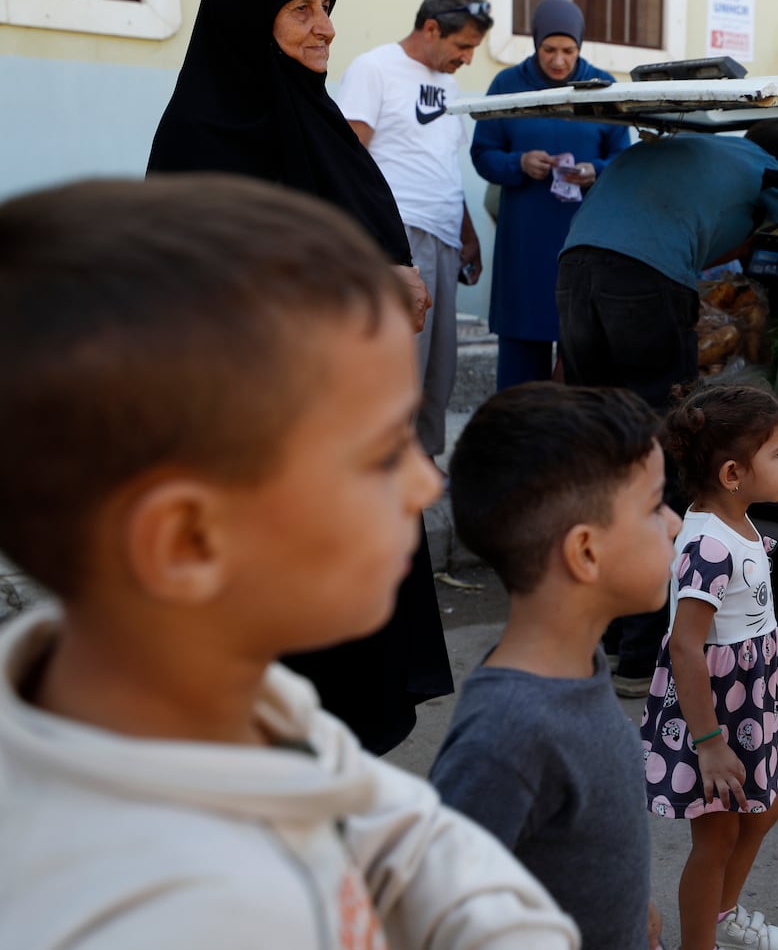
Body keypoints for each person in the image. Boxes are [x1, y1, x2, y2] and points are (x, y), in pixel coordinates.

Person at [0, 175, 580, 949]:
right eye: (382, 453)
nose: (425, 481)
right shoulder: (170, 916)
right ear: (189, 543)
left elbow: (404, 837)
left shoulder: (238, 702)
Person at [146, 0, 450, 753]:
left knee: (351, 667)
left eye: (327, 9)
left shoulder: (313, 121)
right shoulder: (203, 136)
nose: (325, 29)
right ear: (252, 21)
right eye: (302, 11)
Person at [558, 120, 778, 696]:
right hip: (645, 283)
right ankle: (641, 654)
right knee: (667, 457)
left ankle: (600, 635)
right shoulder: (767, 171)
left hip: (574, 267)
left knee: (603, 452)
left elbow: (715, 243)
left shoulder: (693, 150)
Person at [429, 382, 678, 950]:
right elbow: (439, 912)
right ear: (586, 552)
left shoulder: (577, 661)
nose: (676, 524)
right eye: (655, 506)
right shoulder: (506, 735)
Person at [640, 385, 778, 950]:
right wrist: (708, 741)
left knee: (763, 811)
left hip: (749, 700)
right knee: (717, 836)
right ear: (734, 472)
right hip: (714, 711)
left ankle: (722, 915)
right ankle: (699, 943)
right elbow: (686, 646)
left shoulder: (739, 522)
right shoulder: (708, 544)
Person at [340, 0, 492, 460]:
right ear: (431, 28)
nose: (467, 58)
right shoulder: (374, 68)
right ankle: (383, 470)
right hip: (397, 238)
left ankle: (420, 470)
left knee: (438, 370)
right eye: (462, 45)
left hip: (444, 239)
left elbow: (445, 163)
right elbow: (347, 158)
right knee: (399, 367)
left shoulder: (448, 84)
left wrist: (468, 234)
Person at [471, 0, 632, 388]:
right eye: (549, 50)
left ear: (580, 46)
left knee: (583, 357)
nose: (559, 61)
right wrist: (519, 163)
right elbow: (482, 153)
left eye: (568, 51)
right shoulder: (508, 85)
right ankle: (518, 444)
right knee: (521, 368)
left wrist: (596, 170)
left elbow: (624, 163)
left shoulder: (601, 87)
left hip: (584, 244)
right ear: (535, 43)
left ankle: (575, 447)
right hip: (524, 246)